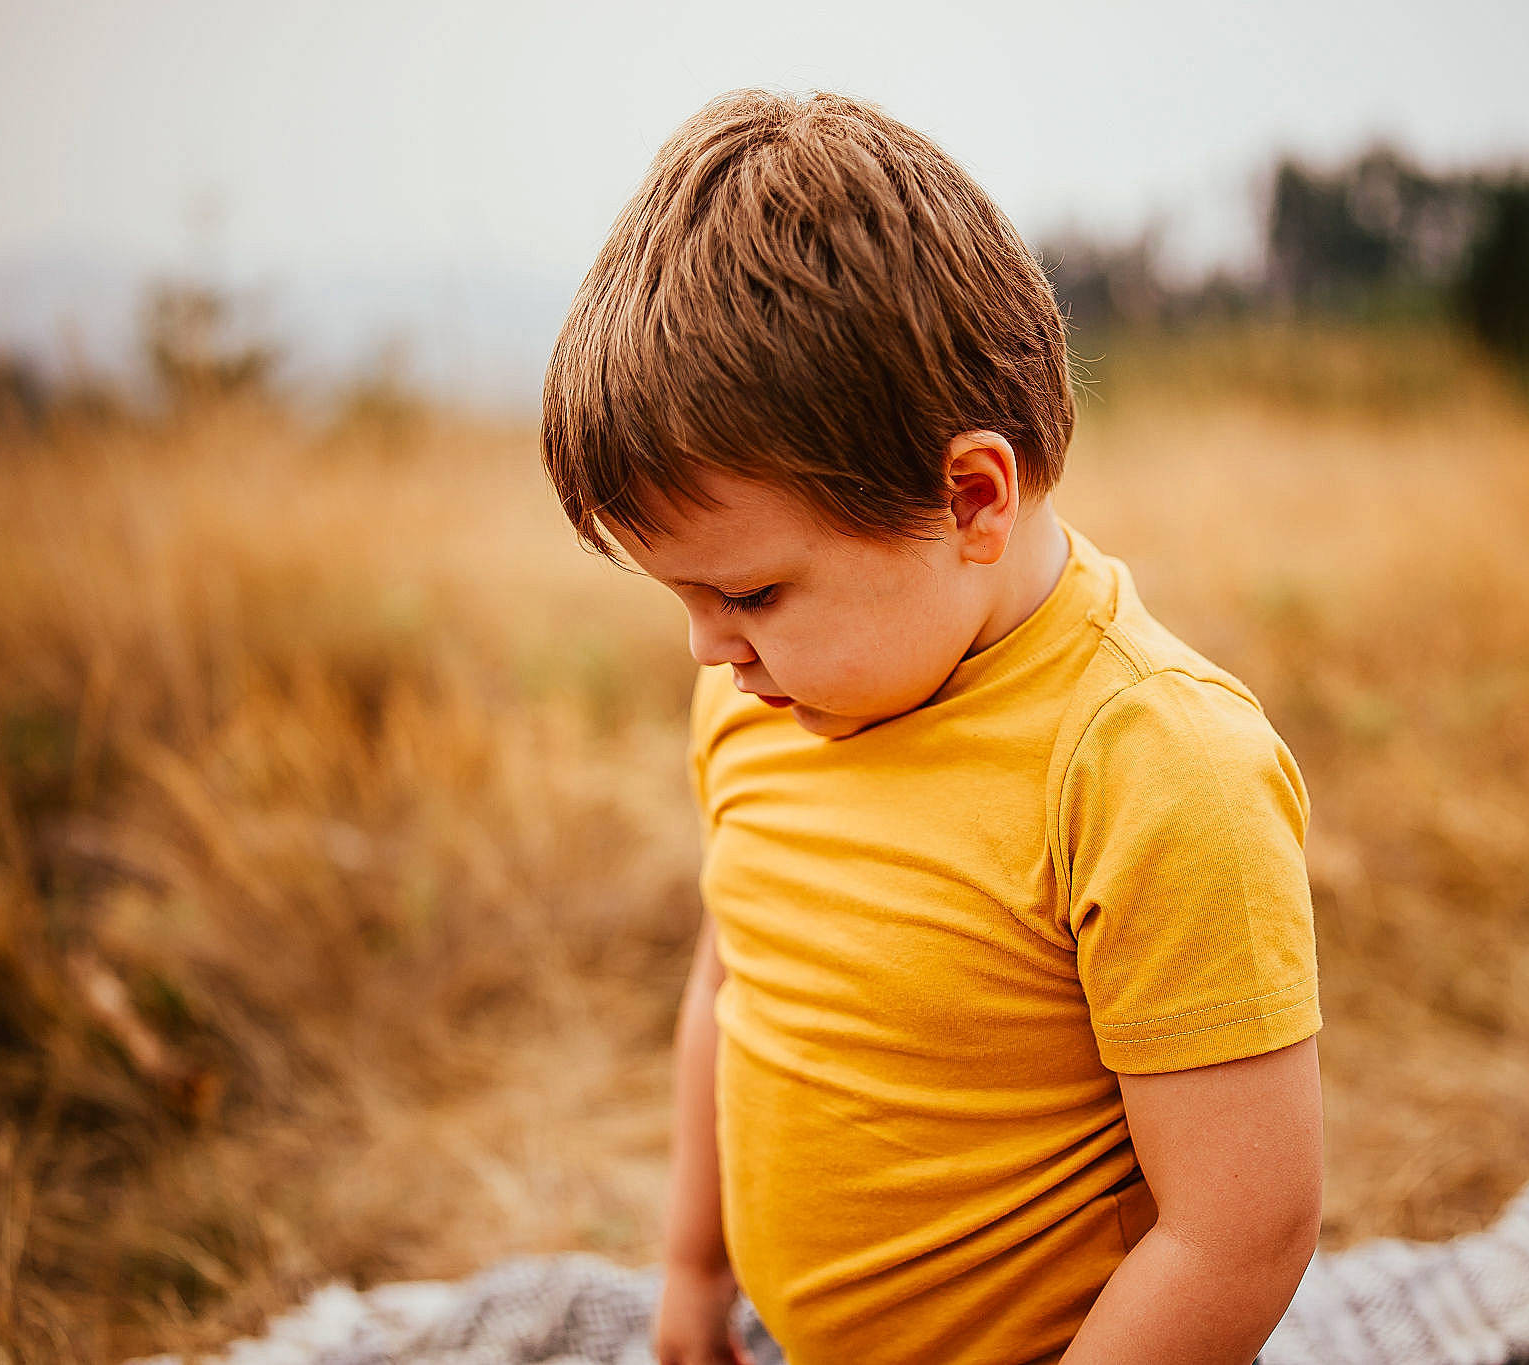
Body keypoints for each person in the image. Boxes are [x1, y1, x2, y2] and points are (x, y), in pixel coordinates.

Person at [540, 89, 1323, 1365]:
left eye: (746, 592)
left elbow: (1242, 1229)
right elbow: (730, 977)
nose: (705, 648)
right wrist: (690, 1268)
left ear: (970, 499)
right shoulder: (757, 697)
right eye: (679, 597)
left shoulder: (1152, 767)